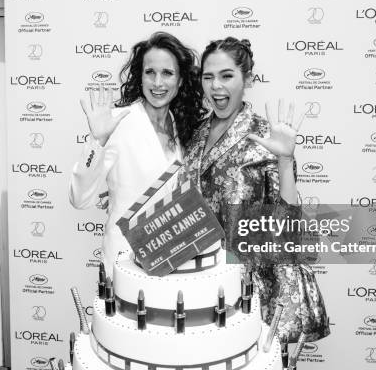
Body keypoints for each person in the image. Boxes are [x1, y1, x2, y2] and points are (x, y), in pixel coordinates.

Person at [181, 38, 330, 346]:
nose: (216, 87)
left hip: (250, 287)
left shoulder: (266, 135)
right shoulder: (194, 134)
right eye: (207, 77)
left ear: (247, 79)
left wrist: (285, 160)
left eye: (226, 76)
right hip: (199, 280)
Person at [69, 32, 205, 275]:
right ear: (140, 77)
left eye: (167, 73)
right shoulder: (119, 122)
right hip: (124, 265)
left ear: (181, 80)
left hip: (168, 260)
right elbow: (79, 199)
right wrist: (97, 141)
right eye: (150, 72)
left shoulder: (179, 126)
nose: (158, 83)